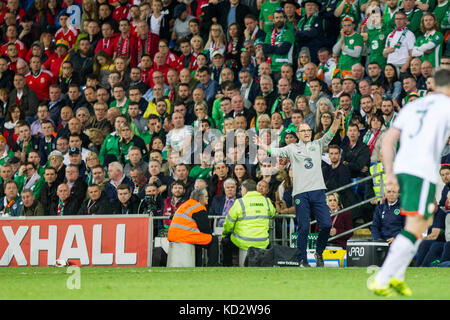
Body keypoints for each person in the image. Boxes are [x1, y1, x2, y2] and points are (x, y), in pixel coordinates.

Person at [368, 69, 450, 296]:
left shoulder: (411, 107)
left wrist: (390, 174)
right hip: (421, 170)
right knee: (417, 226)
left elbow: (388, 142)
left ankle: (397, 275)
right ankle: (383, 278)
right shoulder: (446, 107)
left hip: (403, 168)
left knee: (423, 221)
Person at [254, 106, 343, 267]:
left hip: (317, 191)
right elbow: (275, 151)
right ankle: (302, 259)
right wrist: (261, 144)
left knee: (326, 224)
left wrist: (336, 118)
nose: (307, 132)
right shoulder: (292, 148)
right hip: (301, 193)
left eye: (309, 130)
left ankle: (318, 253)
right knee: (303, 227)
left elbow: (332, 132)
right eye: (303, 131)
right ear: (298, 133)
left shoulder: (318, 144)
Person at [222, 179, 276, 266]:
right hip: (262, 241)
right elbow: (272, 213)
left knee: (226, 241)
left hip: (243, 241)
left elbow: (229, 223)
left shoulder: (239, 202)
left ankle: (227, 267)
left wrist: (224, 234)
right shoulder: (266, 201)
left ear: (244, 189)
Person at [167, 187, 219, 267]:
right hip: (184, 236)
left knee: (199, 241)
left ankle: (197, 265)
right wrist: (211, 233)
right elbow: (205, 229)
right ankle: (212, 266)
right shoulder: (198, 208)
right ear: (200, 198)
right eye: (206, 196)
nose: (208, 198)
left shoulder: (185, 205)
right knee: (213, 240)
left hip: (173, 236)